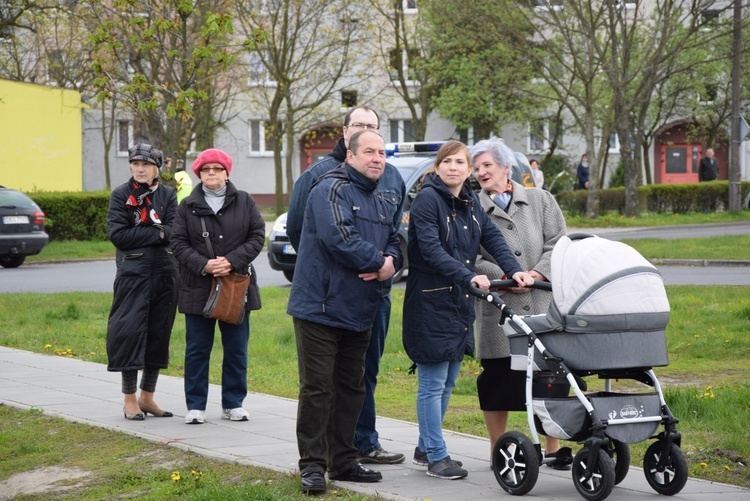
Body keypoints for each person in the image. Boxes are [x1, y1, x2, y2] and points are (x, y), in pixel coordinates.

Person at [402, 140, 534, 481]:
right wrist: (469, 276)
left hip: (458, 302)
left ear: (469, 169)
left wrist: (512, 269)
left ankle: (424, 447)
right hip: (430, 303)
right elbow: (430, 250)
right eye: (447, 162)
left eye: (461, 162)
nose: (453, 168)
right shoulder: (427, 201)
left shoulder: (470, 200)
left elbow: (491, 237)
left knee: (446, 382)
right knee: (432, 383)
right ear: (437, 166)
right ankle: (435, 456)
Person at [286, 106, 407, 466]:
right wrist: (379, 263)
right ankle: (313, 466)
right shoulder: (327, 185)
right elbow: (337, 237)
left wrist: (392, 264)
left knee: (354, 386)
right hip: (321, 304)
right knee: (318, 389)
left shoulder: (385, 185)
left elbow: (395, 236)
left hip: (363, 305)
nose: (377, 158)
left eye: (382, 151)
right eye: (368, 150)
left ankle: (345, 459)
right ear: (348, 147)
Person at [470, 138, 572, 470]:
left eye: (487, 165)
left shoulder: (541, 200)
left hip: (541, 299)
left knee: (549, 375)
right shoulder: (471, 207)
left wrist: (535, 272)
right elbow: (467, 256)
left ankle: (553, 448)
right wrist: (504, 274)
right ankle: (497, 448)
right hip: (498, 305)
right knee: (498, 378)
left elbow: (559, 242)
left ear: (505, 167)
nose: (481, 172)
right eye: (477, 167)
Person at [170, 148, 265, 425]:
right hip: (197, 286)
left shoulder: (245, 202)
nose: (212, 173)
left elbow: (258, 235)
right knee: (197, 348)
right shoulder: (186, 206)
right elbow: (177, 243)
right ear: (199, 173)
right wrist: (205, 264)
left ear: (226, 173)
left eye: (218, 169)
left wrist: (231, 261)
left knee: (236, 348)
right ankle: (196, 405)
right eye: (207, 169)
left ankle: (233, 403)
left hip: (235, 286)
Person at [106, 143, 178, 421]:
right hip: (132, 274)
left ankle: (147, 396)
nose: (140, 168)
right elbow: (119, 236)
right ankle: (129, 399)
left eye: (146, 164)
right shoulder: (120, 195)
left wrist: (150, 232)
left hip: (166, 274)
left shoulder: (169, 195)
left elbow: (174, 230)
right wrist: (157, 234)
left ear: (156, 168)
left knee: (158, 334)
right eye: (136, 163)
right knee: (129, 332)